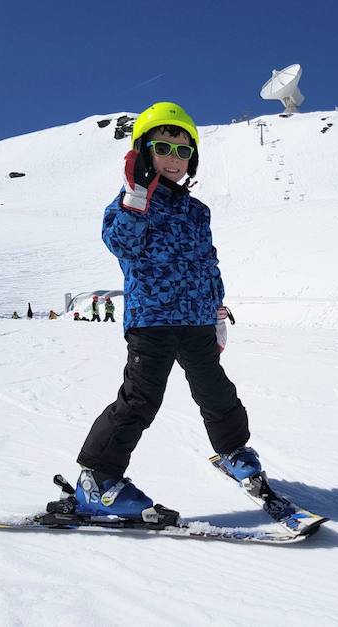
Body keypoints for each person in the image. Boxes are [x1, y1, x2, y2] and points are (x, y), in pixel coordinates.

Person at [73, 101, 258, 521]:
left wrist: (216, 311)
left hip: (196, 320)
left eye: (183, 150)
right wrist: (137, 197)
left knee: (217, 392)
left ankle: (233, 451)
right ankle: (97, 480)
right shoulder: (128, 204)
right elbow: (122, 245)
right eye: (164, 147)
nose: (174, 159)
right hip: (152, 322)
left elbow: (207, 263)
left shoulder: (197, 212)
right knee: (140, 400)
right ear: (142, 152)